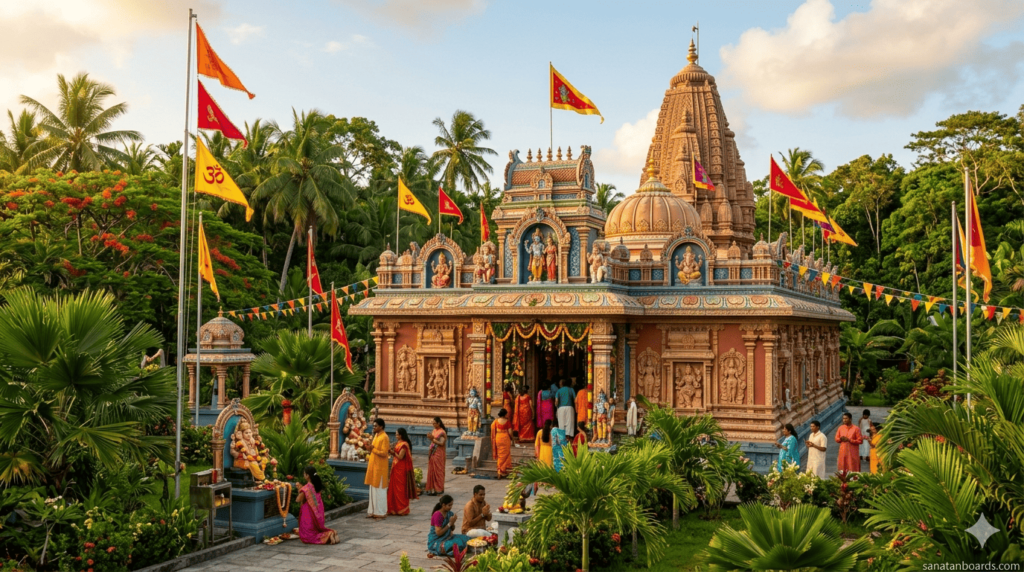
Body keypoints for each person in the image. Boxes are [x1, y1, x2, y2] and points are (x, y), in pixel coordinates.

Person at [296, 465, 340, 544]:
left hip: (308, 515)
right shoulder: (317, 486)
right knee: (315, 532)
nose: (303, 475)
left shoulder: (306, 488)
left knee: (306, 537)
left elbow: (298, 500)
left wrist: (299, 489)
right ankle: (331, 534)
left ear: (307, 476)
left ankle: (328, 535)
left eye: (304, 474)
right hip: (316, 516)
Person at [387, 428, 417, 516]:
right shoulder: (398, 443)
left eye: (397, 434)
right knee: (394, 488)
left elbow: (400, 457)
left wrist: (392, 452)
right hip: (395, 468)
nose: (396, 436)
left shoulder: (404, 444)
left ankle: (402, 509)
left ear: (401, 435)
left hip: (401, 469)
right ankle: (394, 508)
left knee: (400, 489)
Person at [364, 418, 390, 519]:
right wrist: (369, 448)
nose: (374, 427)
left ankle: (381, 512)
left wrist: (373, 449)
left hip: (380, 468)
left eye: (376, 426)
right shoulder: (376, 436)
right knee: (372, 489)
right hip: (373, 466)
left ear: (381, 427)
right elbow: (373, 448)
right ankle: (372, 511)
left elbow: (384, 453)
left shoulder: (385, 437)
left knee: (379, 490)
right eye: (373, 426)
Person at [425, 417, 448, 495]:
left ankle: (439, 489)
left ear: (439, 423)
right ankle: (432, 489)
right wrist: (431, 439)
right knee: (432, 470)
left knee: (438, 471)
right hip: (433, 453)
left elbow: (441, 443)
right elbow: (433, 440)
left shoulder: (442, 432)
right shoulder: (434, 431)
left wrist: (432, 439)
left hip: (439, 453)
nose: (433, 425)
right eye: (433, 423)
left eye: (435, 423)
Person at [491, 408, 513, 478]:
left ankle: (499, 470)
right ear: (504, 414)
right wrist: (512, 438)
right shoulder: (507, 422)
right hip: (505, 438)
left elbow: (492, 429)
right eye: (507, 414)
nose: (508, 415)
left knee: (500, 454)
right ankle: (503, 470)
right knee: (506, 454)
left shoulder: (495, 422)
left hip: (498, 438)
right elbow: (510, 432)